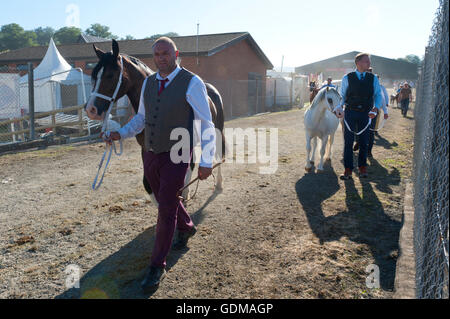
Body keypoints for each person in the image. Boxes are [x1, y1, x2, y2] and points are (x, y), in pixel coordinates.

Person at [103, 37, 216, 291]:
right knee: (165, 197)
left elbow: (206, 123)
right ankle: (186, 226)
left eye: (166, 53)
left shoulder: (192, 82)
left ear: (175, 54)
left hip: (178, 152)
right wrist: (120, 132)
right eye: (157, 54)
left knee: (165, 208)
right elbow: (141, 117)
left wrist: (207, 160)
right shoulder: (149, 83)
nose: (161, 57)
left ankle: (157, 265)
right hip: (150, 152)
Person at [333, 53, 383, 180]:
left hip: (366, 113)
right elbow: (342, 95)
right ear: (358, 63)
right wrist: (339, 106)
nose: (369, 63)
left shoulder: (373, 78)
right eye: (366, 61)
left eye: (369, 61)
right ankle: (348, 170)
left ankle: (362, 167)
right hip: (350, 112)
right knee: (348, 142)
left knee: (363, 142)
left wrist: (376, 108)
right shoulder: (347, 77)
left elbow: (377, 95)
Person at [353, 72, 389, 157]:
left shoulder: (379, 89)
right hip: (362, 112)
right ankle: (358, 142)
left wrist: (386, 112)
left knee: (371, 131)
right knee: (358, 129)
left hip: (373, 113)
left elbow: (382, 101)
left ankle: (369, 151)